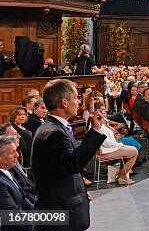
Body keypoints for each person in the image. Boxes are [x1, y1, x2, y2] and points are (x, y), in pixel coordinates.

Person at [32, 79, 107, 231]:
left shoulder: (56, 127)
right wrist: (96, 130)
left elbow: (62, 167)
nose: (79, 102)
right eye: (76, 98)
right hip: (60, 215)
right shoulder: (54, 133)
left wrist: (81, 191)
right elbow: (72, 163)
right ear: (64, 102)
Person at [92, 101, 138, 185]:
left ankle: (120, 176)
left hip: (109, 149)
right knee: (134, 151)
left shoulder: (101, 121)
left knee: (130, 150)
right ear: (97, 111)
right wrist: (119, 145)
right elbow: (105, 142)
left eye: (104, 109)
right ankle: (122, 176)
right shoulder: (97, 123)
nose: (104, 111)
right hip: (104, 152)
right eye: (102, 110)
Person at [0, 135, 34, 229]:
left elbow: (26, 204)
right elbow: (13, 217)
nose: (17, 155)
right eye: (12, 152)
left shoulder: (7, 172)